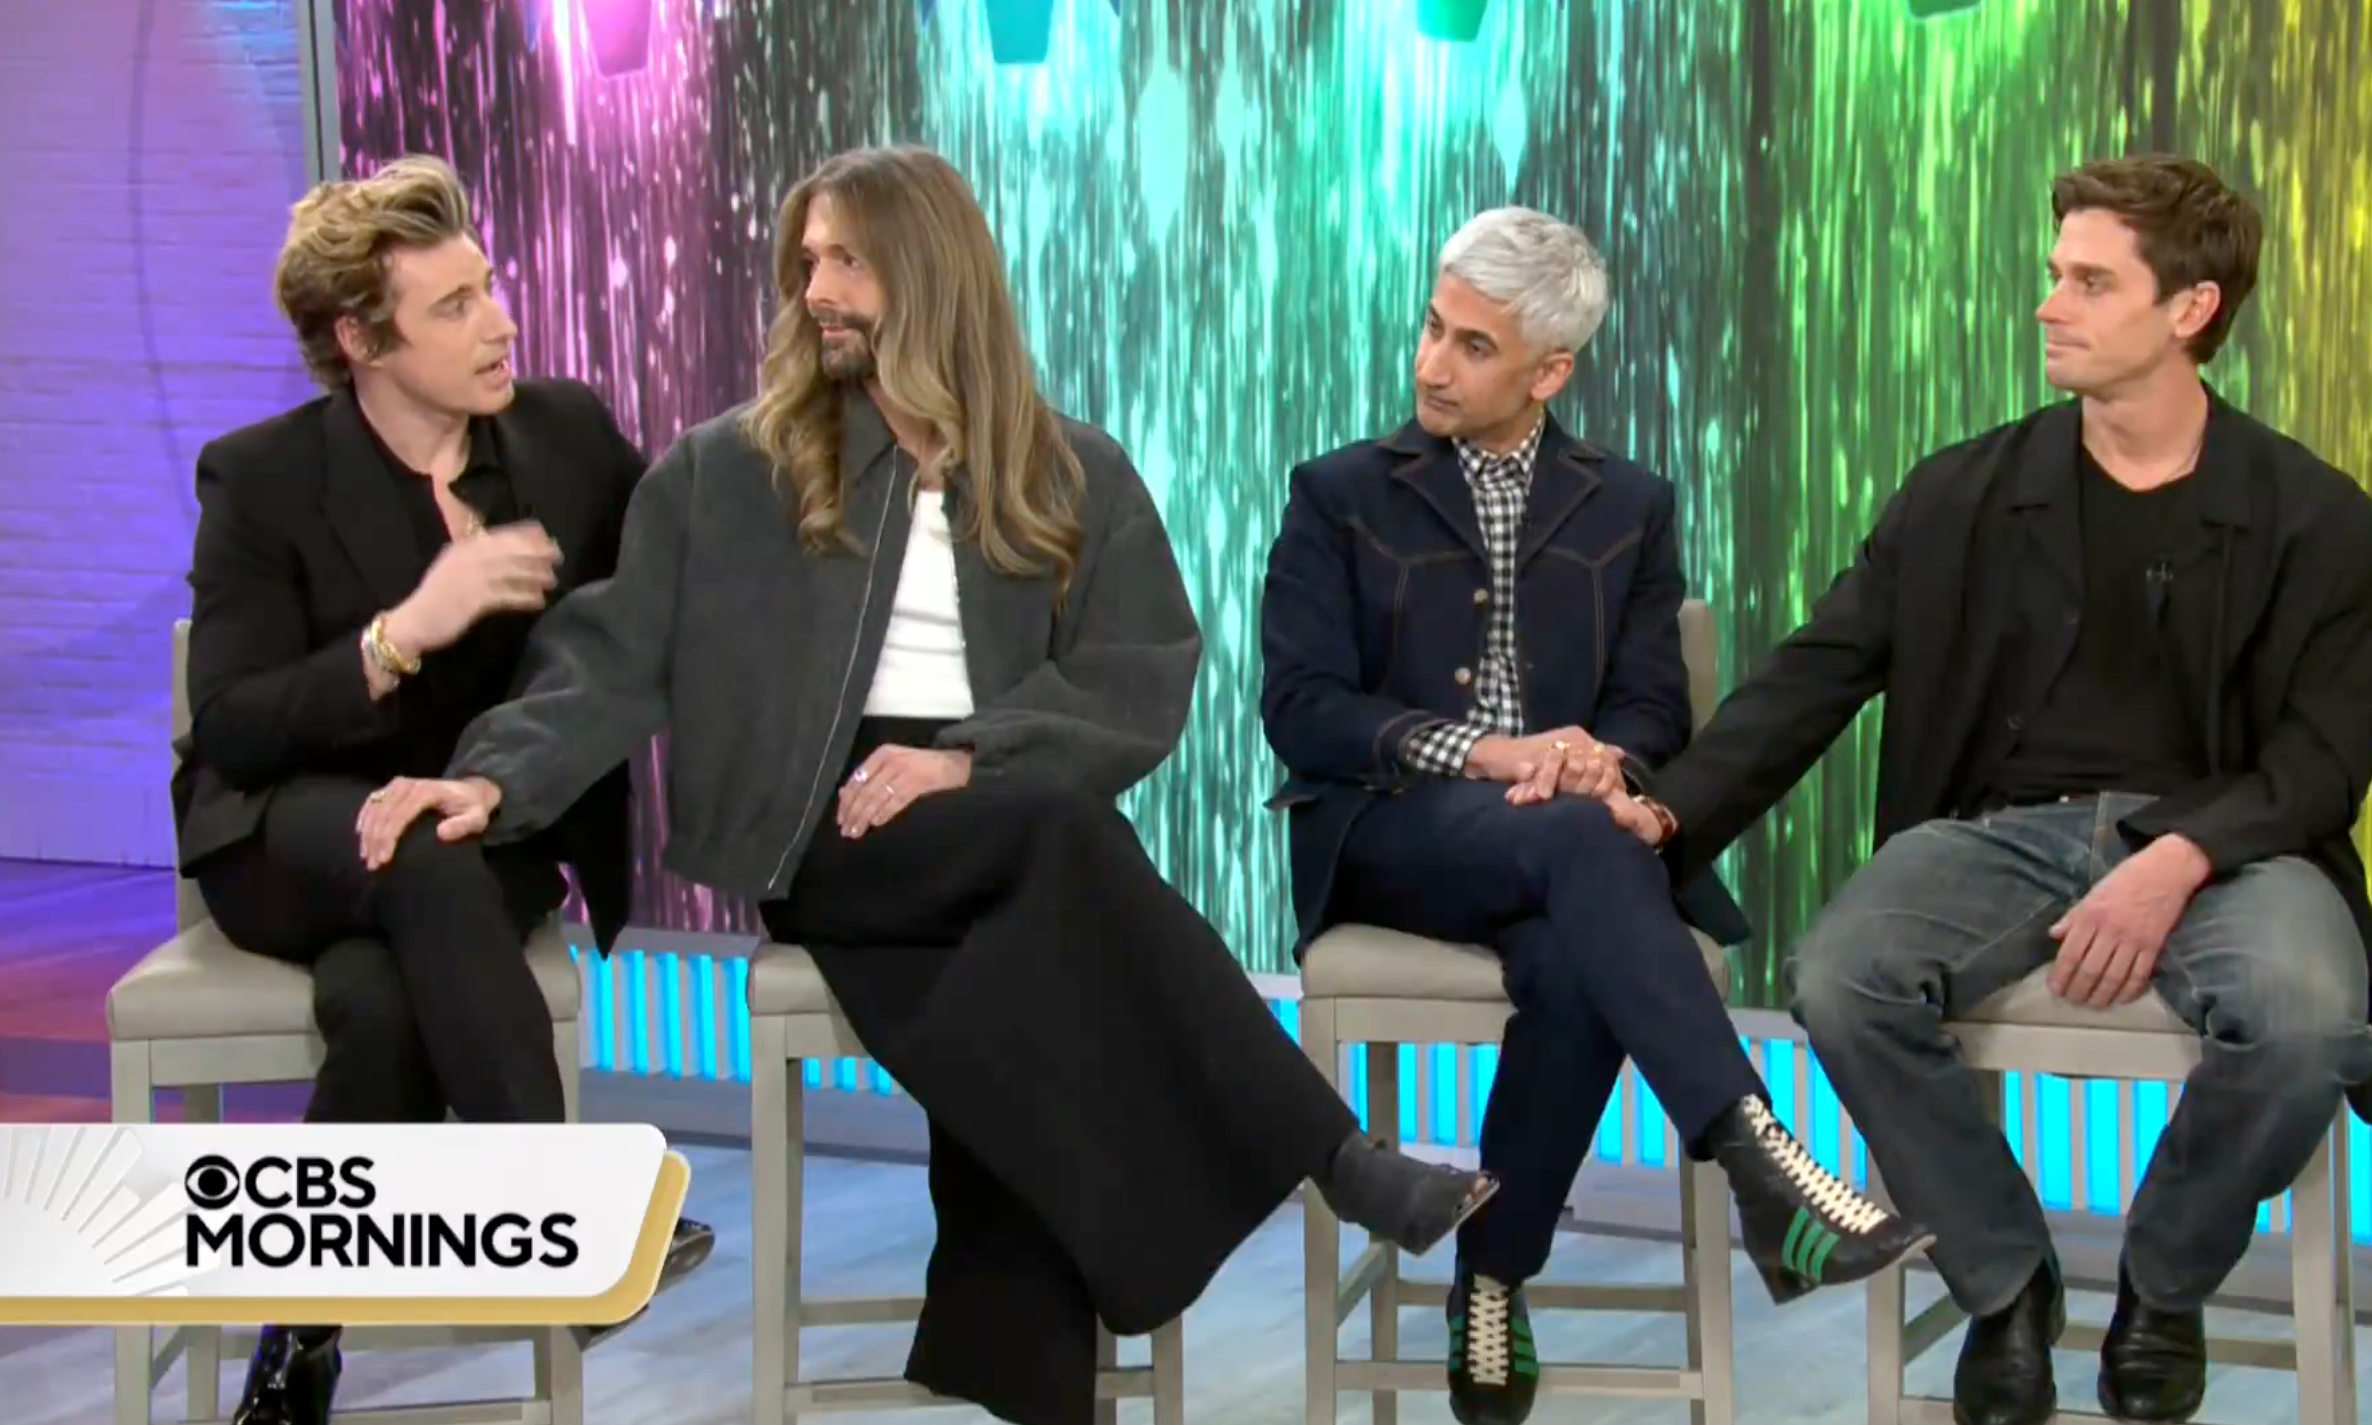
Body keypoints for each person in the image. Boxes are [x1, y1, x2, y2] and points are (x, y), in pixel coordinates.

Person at [353, 145, 1497, 1425]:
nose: (815, 290)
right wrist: (493, 781)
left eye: (847, 260)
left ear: (929, 272)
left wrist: (968, 755)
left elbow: (1139, 676)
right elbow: (607, 658)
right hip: (825, 824)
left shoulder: (1072, 471)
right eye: (808, 262)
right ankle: (1331, 1154)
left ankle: (1032, 1373)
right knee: (1066, 844)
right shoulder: (729, 471)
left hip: (1002, 820)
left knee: (1035, 947)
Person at [1573, 155, 2372, 1425]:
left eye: (2090, 282)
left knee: (2305, 1018)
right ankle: (2006, 1283)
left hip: (2231, 845)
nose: (2048, 304)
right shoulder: (1962, 493)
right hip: (1999, 834)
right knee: (1841, 974)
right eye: (2054, 273)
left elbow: (2324, 760)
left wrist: (2175, 859)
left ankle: (2164, 1283)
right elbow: (1818, 671)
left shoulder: (2318, 520)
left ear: (2190, 310)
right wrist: (1672, 807)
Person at [1260, 206, 1931, 1425]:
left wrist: (1597, 760)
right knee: (1589, 851)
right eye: (1433, 327)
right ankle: (1762, 1159)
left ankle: (1491, 1276)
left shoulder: (1631, 504)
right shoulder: (1339, 495)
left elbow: (1652, 703)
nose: (1431, 364)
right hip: (1394, 833)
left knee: (1579, 957)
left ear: (1549, 372)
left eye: (1472, 345)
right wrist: (1496, 753)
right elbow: (1302, 710)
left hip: (1565, 846)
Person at [173, 155, 715, 1425]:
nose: (499, 323)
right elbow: (235, 722)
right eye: (455, 306)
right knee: (419, 855)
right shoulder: (260, 477)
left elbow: (676, 581)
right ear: (362, 342)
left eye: (490, 288)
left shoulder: (565, 440)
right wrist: (402, 633)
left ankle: (297, 1348)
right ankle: (562, 1217)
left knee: (382, 1009)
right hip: (290, 830)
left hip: (482, 825)